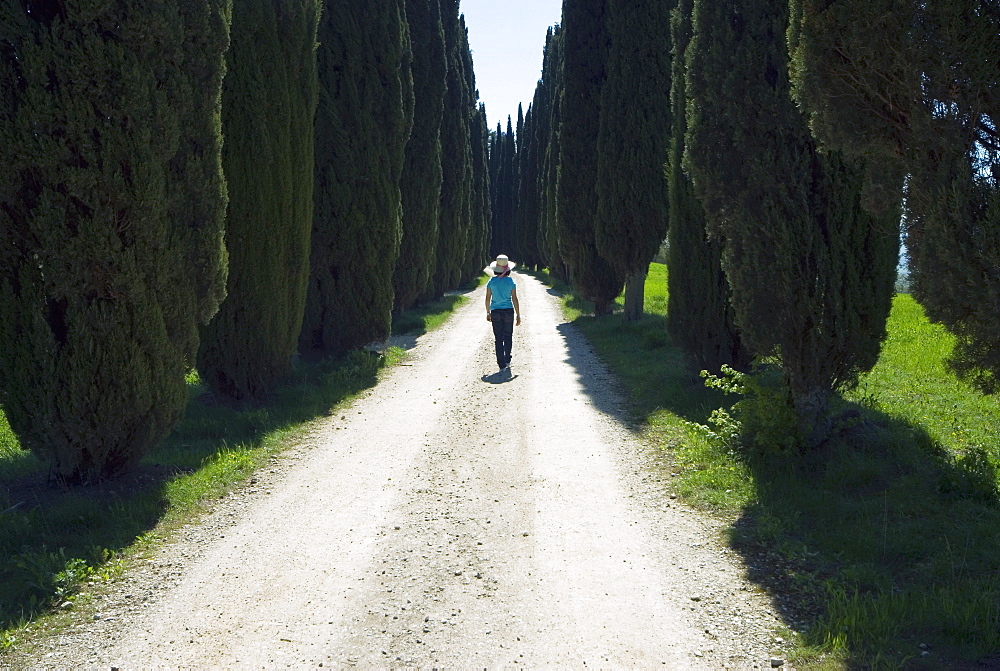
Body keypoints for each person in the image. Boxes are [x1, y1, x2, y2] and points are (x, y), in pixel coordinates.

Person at [485, 254, 521, 370]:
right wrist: (518, 314)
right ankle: (507, 359)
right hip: (508, 311)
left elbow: (487, 298)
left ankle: (501, 363)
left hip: (495, 311)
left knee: (498, 338)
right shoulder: (510, 281)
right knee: (508, 336)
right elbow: (514, 298)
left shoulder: (491, 282)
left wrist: (488, 312)